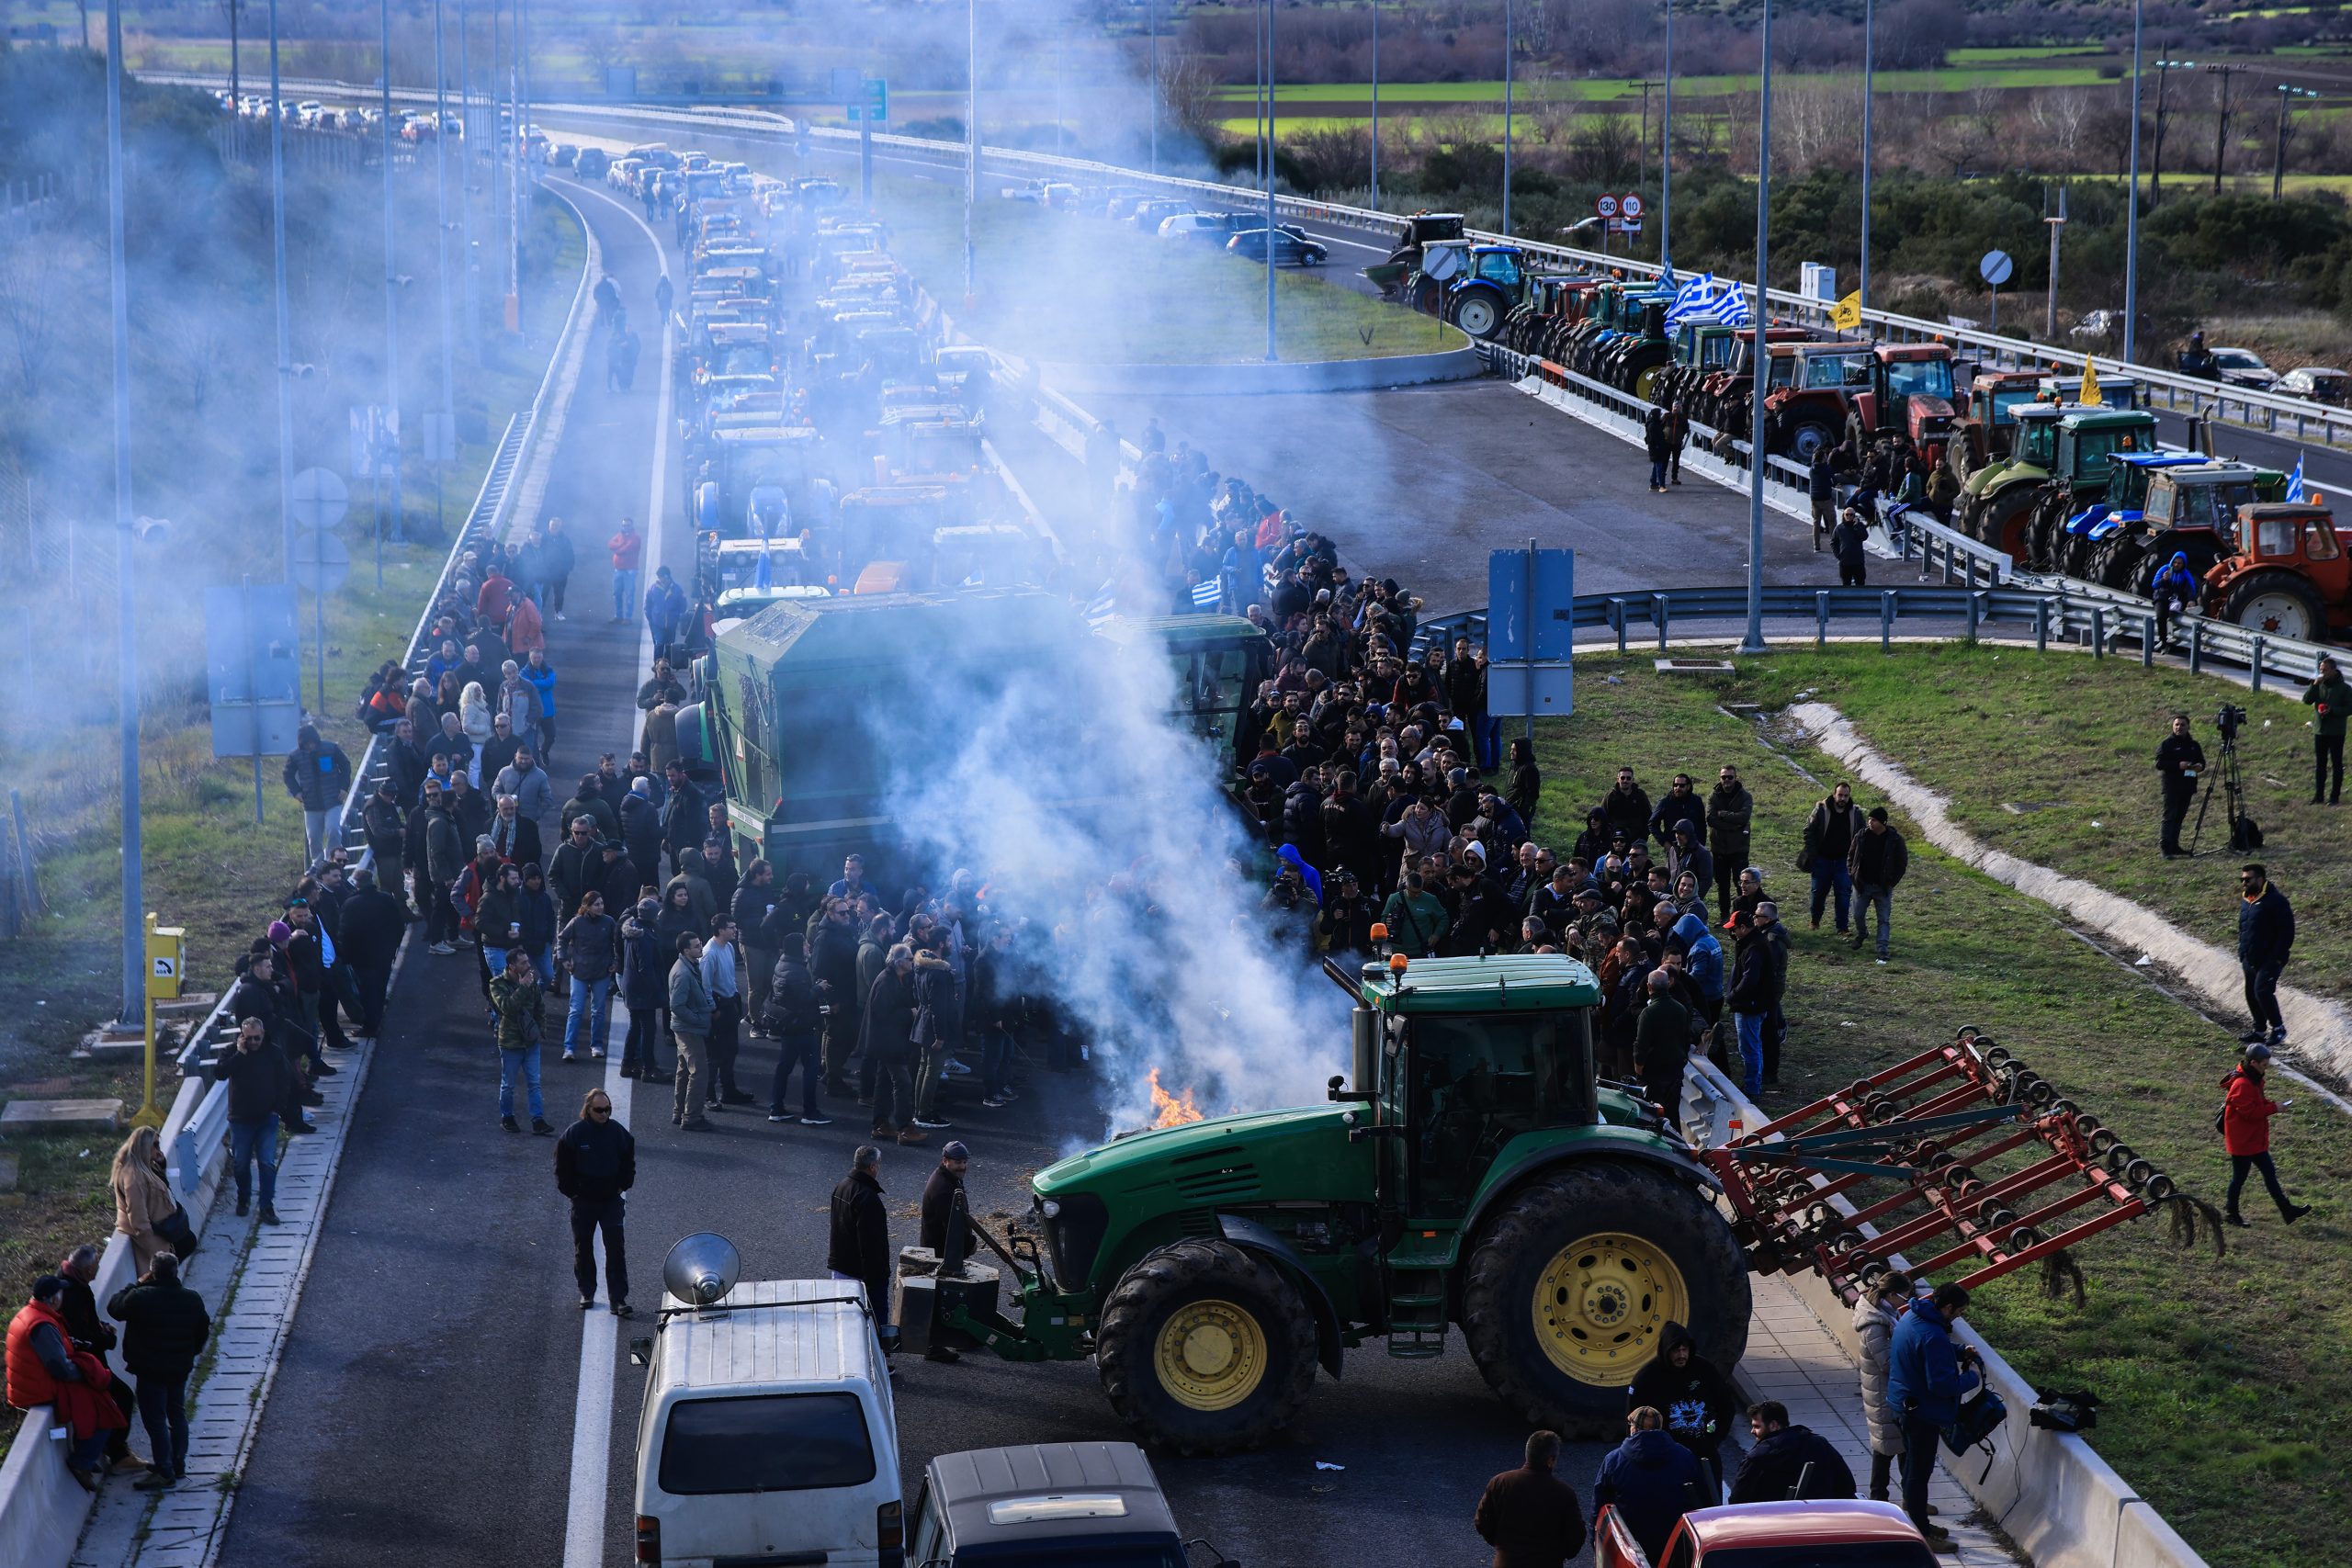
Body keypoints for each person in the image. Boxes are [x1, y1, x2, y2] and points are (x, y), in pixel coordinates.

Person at [6, 1275, 129, 1491]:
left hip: (34, 1383)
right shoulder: (42, 1325)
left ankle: (88, 1455)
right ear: (53, 1299)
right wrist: (86, 1373)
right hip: (41, 1389)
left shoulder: (31, 1314)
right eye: (60, 1293)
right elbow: (60, 1368)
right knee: (104, 1407)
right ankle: (82, 1461)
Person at [1887, 1282, 1982, 1545]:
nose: (1959, 1317)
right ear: (1947, 1307)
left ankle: (1912, 1507)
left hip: (1901, 1404)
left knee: (1909, 1461)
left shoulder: (1912, 1316)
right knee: (1920, 1471)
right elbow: (1942, 1386)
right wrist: (1971, 1378)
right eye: (1959, 1311)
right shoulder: (1934, 1335)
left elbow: (1926, 1351)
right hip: (1921, 1413)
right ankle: (1921, 1532)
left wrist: (1959, 1351)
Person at [107, 1252, 209, 1490]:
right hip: (179, 1368)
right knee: (177, 1414)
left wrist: (136, 1283)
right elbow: (202, 1331)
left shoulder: (141, 1297)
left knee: (155, 1421)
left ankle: (164, 1471)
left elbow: (115, 1307)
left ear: (152, 1272)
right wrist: (189, 1353)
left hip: (150, 1370)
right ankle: (177, 1463)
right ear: (175, 1272)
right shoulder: (191, 1299)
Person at [1626, 1320, 1739, 1501]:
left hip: (1703, 1455)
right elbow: (1634, 1419)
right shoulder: (1646, 1378)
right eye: (1676, 1350)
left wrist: (1715, 1439)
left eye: (1685, 1350)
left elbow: (1726, 1405)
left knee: (1710, 1507)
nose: (1681, 1355)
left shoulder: (1704, 1370)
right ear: (1666, 1350)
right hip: (1667, 1459)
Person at [56, 1246, 142, 1477]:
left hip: (89, 1358)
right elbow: (80, 1334)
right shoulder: (73, 1294)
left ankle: (116, 1452)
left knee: (116, 1399)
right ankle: (118, 1455)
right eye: (96, 1267)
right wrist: (107, 1338)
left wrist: (98, 1327)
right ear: (86, 1270)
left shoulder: (70, 1283)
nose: (98, 1270)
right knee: (121, 1398)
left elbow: (83, 1325)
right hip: (86, 1362)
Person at [557, 1088, 636, 1315]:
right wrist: (573, 1192)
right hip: (583, 1202)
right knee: (583, 1248)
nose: (604, 1114)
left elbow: (628, 1161)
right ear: (588, 1110)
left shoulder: (619, 1133)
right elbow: (562, 1168)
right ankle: (587, 1291)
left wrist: (623, 1185)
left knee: (615, 1249)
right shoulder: (574, 1135)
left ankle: (618, 1299)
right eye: (599, 1110)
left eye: (607, 1109)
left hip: (611, 1201)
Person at [1591, 1407, 1704, 1565]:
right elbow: (1699, 1499)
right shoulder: (1685, 1456)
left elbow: (1600, 1504)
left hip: (1631, 1545)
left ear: (1634, 1429)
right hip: (1675, 1543)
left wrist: (1595, 1538)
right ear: (1660, 1428)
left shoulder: (1613, 1460)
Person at [2220, 1042, 2312, 1226]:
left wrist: (2272, 1105)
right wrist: (2274, 1108)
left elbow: (2256, 1104)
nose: (2266, 1069)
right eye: (2264, 1065)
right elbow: (2249, 1113)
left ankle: (2287, 1210)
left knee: (2269, 1172)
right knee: (2239, 1178)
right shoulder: (2242, 1084)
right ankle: (2231, 1214)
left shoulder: (2252, 1079)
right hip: (2243, 1142)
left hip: (2253, 1140)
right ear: (2253, 1062)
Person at [1474, 1429, 1586, 1568]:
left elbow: (1481, 1521)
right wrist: (1559, 1555)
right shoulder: (1564, 1493)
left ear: (1527, 1454)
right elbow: (1575, 1536)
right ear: (1550, 1460)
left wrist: (1501, 1546)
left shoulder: (1499, 1482)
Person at [1852, 1269, 1916, 1504]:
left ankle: (1910, 1497)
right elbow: (1887, 1363)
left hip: (1888, 1392)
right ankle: (1881, 1498)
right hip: (1883, 1394)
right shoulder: (1874, 1324)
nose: (1905, 1302)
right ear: (1891, 1295)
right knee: (1886, 1449)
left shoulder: (1885, 1313)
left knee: (1898, 1446)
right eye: (1904, 1297)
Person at [218, 1019, 289, 1223]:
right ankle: (244, 1197)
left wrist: (278, 1109)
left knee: (267, 1162)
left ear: (263, 1033)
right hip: (240, 1119)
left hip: (267, 1118)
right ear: (242, 1036)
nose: (254, 1042)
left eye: (257, 1037)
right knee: (241, 1164)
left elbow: (284, 1080)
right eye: (249, 1038)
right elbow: (220, 1073)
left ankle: (267, 1206)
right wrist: (240, 1055)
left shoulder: (273, 1052)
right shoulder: (232, 1051)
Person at [1727, 1400, 1857, 1504]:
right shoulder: (1818, 1443)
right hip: (1820, 1520)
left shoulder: (1757, 1458)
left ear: (1773, 1425)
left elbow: (1738, 1498)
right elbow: (1846, 1484)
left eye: (1757, 1426)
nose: (1752, 1431)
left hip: (1770, 1526)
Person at [827, 1145, 895, 1339]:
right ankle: (879, 1362)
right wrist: (876, 1277)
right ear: (873, 1166)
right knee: (873, 1321)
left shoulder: (842, 1186)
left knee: (845, 1320)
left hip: (841, 1266)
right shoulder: (868, 1198)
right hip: (862, 1273)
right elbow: (871, 1244)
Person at [764, 932, 831, 1126]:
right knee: (810, 1069)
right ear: (797, 947)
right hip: (801, 1026)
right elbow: (804, 997)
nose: (808, 947)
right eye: (805, 944)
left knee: (784, 1067)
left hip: (788, 1025)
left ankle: (776, 1107)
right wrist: (819, 988)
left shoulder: (783, 964)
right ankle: (810, 1112)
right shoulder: (797, 970)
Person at [862, 942, 924, 1146]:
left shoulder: (899, 978)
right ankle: (905, 1128)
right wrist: (909, 1013)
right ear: (899, 962)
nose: (912, 962)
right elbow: (883, 1013)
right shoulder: (885, 982)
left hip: (890, 1040)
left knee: (884, 1083)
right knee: (902, 1082)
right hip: (888, 1042)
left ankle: (880, 1125)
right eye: (909, 959)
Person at [491, 947, 555, 1136]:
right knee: (508, 1084)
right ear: (512, 966)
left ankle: (538, 1120)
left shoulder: (531, 981)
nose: (528, 965)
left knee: (534, 1083)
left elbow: (539, 1007)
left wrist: (539, 1030)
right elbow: (507, 1008)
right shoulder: (497, 983)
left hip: (530, 1042)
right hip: (510, 1043)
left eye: (527, 961)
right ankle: (507, 1117)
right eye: (523, 962)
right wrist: (523, 987)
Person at [558, 890, 620, 1064]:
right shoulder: (577, 922)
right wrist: (563, 959)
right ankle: (569, 1047)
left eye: (601, 904)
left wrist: (616, 961)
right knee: (576, 1010)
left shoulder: (608, 922)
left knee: (598, 1011)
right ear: (586, 906)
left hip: (601, 972)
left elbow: (618, 943)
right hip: (580, 972)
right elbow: (562, 939)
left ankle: (597, 1045)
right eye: (596, 904)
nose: (600, 907)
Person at [110, 1125, 179, 1275]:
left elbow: (158, 1188)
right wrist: (154, 1249)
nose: (158, 1148)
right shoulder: (133, 1177)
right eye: (155, 1145)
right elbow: (138, 1217)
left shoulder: (145, 1168)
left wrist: (161, 1165)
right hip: (152, 1238)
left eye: (158, 1144)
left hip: (161, 1232)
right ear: (144, 1147)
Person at [2237, 863, 2294, 1047]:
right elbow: (2244, 928)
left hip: (2270, 958)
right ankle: (2259, 1030)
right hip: (2249, 956)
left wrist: (2277, 956)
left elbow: (2287, 931)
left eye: (2248, 879)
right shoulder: (2247, 900)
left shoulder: (2276, 901)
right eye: (2242, 879)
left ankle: (2278, 1028)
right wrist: (2242, 952)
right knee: (2251, 993)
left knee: (2262, 991)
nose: (2244, 883)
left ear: (2260, 879)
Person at [282, 723, 353, 866]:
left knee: (333, 830)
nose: (310, 746)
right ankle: (318, 865)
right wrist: (296, 792)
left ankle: (333, 861)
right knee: (313, 837)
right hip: (311, 804)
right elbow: (287, 775)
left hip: (333, 800)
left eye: (312, 743)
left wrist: (344, 787)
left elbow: (345, 766)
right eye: (307, 744)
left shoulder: (331, 748)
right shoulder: (295, 756)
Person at [703, 912, 752, 1108]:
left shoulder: (729, 947)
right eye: (731, 927)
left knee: (731, 1050)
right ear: (721, 930)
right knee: (715, 1055)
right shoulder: (709, 954)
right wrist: (713, 1010)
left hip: (730, 1004)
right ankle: (709, 1095)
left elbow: (730, 977)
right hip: (718, 1007)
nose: (735, 930)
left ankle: (728, 1090)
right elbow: (705, 986)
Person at [619, 897, 671, 1083]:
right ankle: (649, 1068)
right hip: (643, 989)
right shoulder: (646, 937)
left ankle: (628, 1063)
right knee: (649, 1028)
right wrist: (658, 990)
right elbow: (646, 968)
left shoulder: (632, 930)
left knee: (635, 1026)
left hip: (631, 985)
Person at [1848, 807, 1909, 963]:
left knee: (1883, 919)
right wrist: (1853, 876)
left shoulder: (1895, 840)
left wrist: (1891, 882)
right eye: (1869, 819)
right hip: (1862, 885)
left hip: (1882, 887)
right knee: (1857, 914)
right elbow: (1851, 856)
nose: (1870, 822)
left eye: (1873, 820)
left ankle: (1882, 949)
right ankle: (1862, 933)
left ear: (1883, 822)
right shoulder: (1861, 836)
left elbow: (1902, 863)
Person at [1802, 783, 1863, 934]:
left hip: (1844, 861)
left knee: (1843, 894)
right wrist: (1814, 855)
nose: (1842, 798)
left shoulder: (1855, 813)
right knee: (1818, 892)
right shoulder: (1821, 810)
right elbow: (1808, 831)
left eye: (1846, 796)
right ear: (1834, 794)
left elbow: (1862, 835)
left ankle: (1842, 927)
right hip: (1822, 859)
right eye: (1840, 795)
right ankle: (1815, 921)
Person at [670, 931, 716, 1133]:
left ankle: (680, 1112)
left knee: (684, 1069)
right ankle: (691, 1117)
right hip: (688, 1029)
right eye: (697, 946)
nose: (701, 948)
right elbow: (677, 1005)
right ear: (686, 950)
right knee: (699, 1072)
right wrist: (698, 1020)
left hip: (685, 1028)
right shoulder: (683, 973)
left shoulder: (687, 966)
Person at [1633, 969, 1691, 1118]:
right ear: (1668, 986)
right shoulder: (1681, 1009)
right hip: (1674, 1073)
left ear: (1649, 987)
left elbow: (1641, 1045)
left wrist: (1639, 1068)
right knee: (1672, 1115)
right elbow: (1686, 1039)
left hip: (1653, 1074)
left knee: (1652, 1116)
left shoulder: (1648, 1013)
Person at [2155, 714, 2206, 859]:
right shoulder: (2167, 744)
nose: (2179, 727)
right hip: (2172, 786)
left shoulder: (2193, 745)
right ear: (2173, 726)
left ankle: (2174, 846)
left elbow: (2202, 761)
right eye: (2176, 725)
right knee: (2169, 816)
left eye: (2182, 725)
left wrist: (2199, 766)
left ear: (2188, 727)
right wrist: (2178, 765)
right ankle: (2166, 849)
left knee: (2179, 817)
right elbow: (2160, 764)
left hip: (2188, 786)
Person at [2301, 653, 2349, 805]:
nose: (2323, 673)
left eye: (2326, 670)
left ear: (2334, 671)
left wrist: (2333, 710)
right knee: (2320, 765)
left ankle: (2334, 797)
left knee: (2336, 764)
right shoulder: (2318, 685)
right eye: (2321, 670)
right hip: (2320, 730)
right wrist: (2314, 685)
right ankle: (2318, 796)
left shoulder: (2345, 688)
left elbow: (2349, 708)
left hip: (2336, 731)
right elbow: (2307, 700)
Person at [2150, 550, 2199, 645]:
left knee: (2174, 611)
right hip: (2161, 597)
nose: (2176, 565)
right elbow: (2154, 585)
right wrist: (2164, 579)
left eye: (2179, 563)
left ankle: (2177, 639)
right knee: (2161, 616)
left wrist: (2191, 599)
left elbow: (2190, 588)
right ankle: (2162, 640)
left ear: (2183, 564)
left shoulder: (2185, 574)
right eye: (2175, 562)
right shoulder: (2164, 569)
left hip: (2175, 599)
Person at [1829, 506, 1871, 587]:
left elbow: (1864, 537)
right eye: (1847, 514)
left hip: (1858, 561)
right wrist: (1838, 555)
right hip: (1845, 562)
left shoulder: (1860, 526)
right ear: (1844, 515)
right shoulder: (1839, 528)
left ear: (1854, 516)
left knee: (1860, 583)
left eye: (1851, 515)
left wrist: (1857, 526)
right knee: (1846, 584)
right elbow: (1833, 543)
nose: (1849, 516)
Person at [1807, 448, 1837, 550]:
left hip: (1814, 498)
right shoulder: (1826, 468)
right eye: (1825, 456)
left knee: (1816, 522)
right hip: (1825, 498)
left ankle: (1816, 546)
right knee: (1832, 520)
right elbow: (1833, 481)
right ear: (1823, 458)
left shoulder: (1812, 469)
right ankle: (1834, 544)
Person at [1644, 406, 1674, 493]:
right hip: (1656, 450)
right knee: (1659, 468)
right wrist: (1660, 446)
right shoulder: (1653, 426)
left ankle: (1653, 484)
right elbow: (1655, 439)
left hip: (1655, 450)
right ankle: (1662, 485)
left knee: (1656, 467)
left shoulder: (1654, 424)